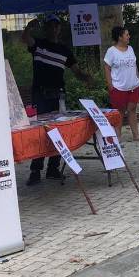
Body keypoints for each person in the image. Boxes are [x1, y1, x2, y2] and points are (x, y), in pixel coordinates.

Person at [22, 15, 91, 185]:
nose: (53, 29)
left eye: (56, 26)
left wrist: (86, 78)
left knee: (58, 131)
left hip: (58, 95)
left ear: (59, 29)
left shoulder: (64, 50)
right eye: (50, 26)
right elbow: (25, 38)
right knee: (40, 132)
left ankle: (53, 168)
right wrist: (29, 27)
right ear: (45, 28)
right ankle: (35, 171)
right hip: (40, 94)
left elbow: (76, 70)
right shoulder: (38, 45)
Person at [104, 26, 139, 140]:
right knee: (119, 112)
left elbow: (134, 64)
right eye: (126, 35)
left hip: (133, 85)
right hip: (119, 87)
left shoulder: (130, 48)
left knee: (132, 109)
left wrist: (138, 78)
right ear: (120, 37)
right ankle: (118, 136)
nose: (129, 36)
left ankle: (136, 135)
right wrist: (110, 85)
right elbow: (107, 67)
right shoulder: (111, 51)